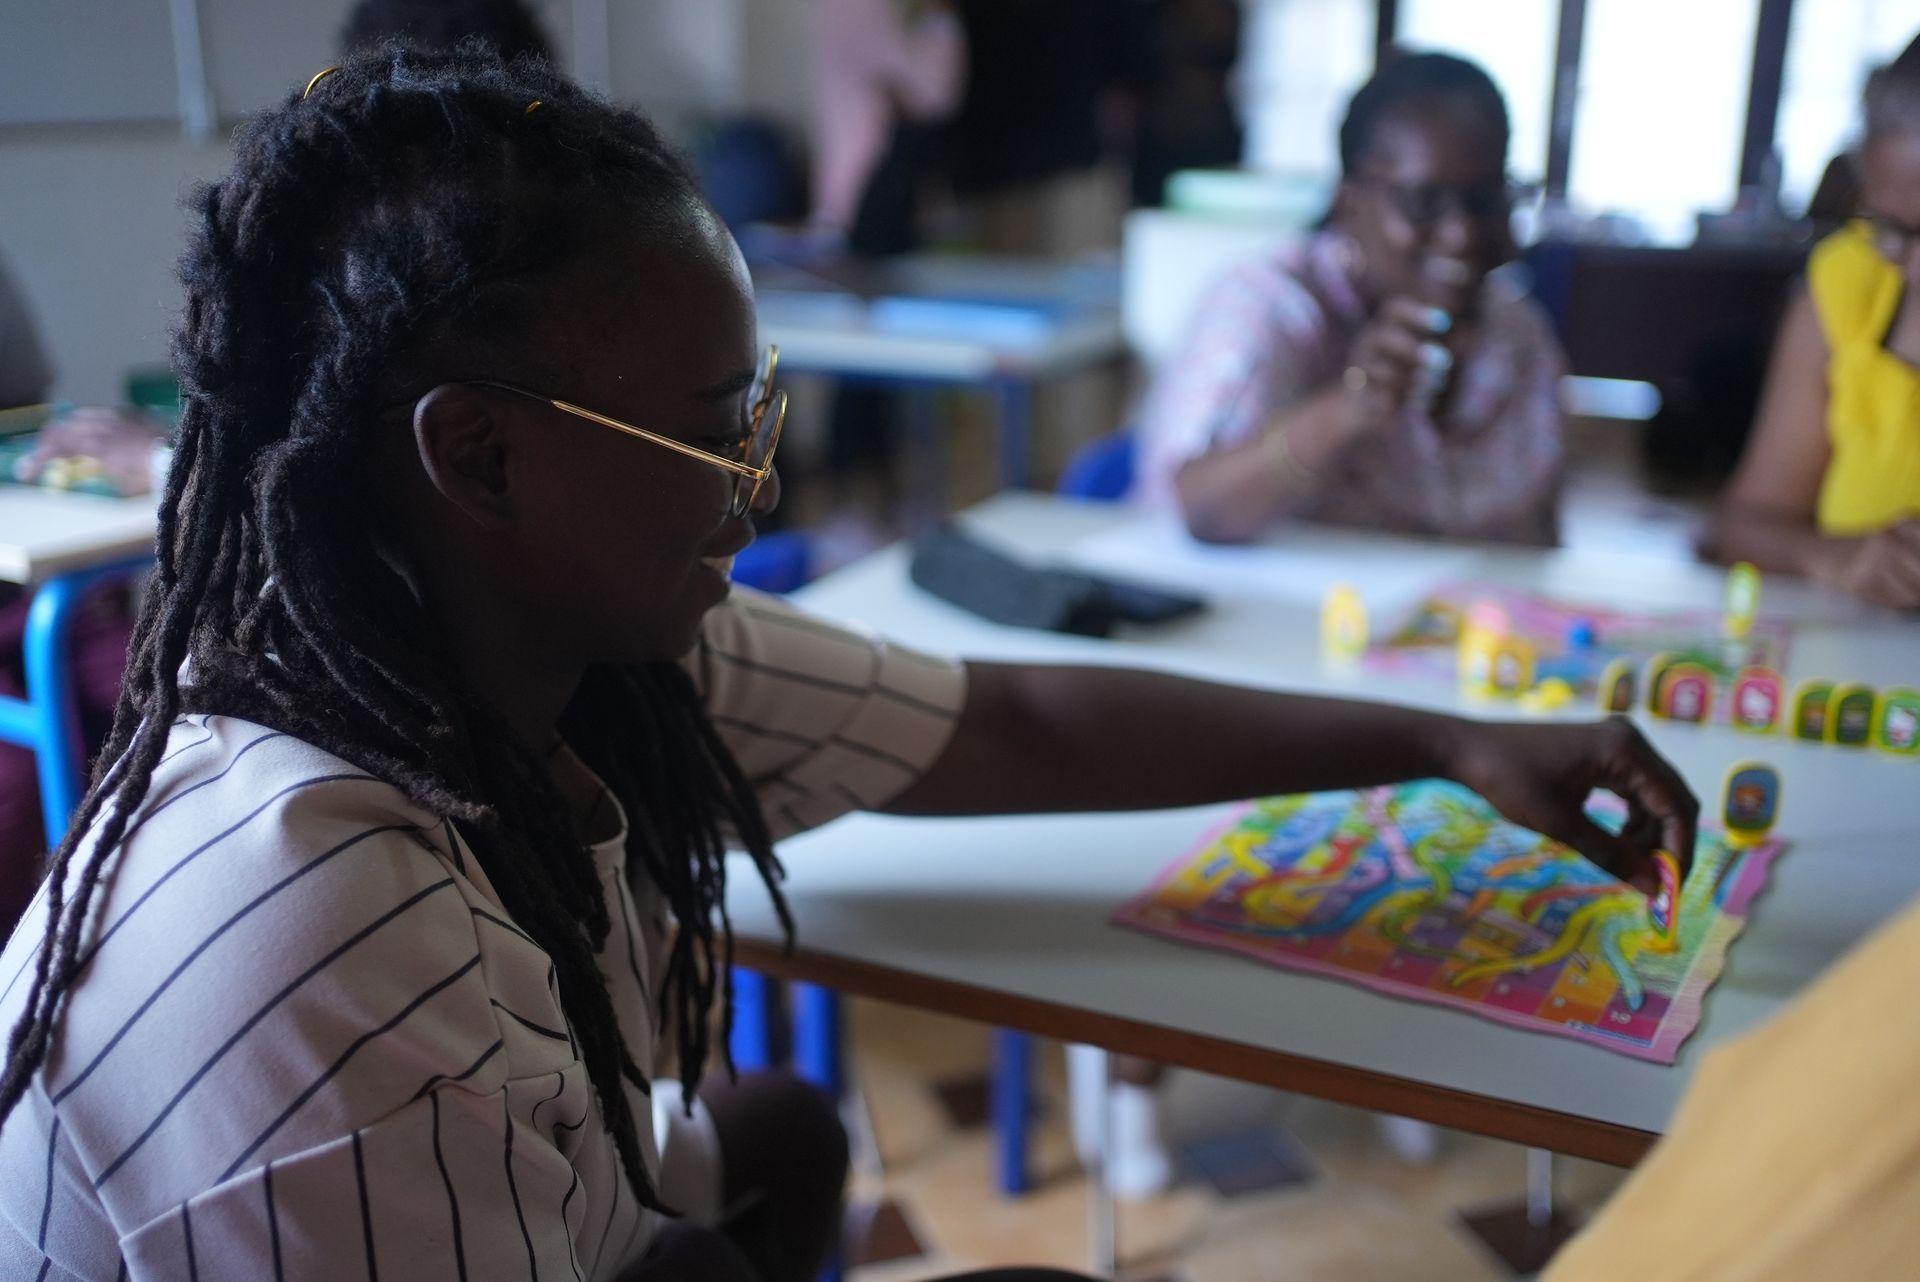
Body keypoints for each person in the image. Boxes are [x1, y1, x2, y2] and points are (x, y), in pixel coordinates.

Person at [0, 50, 1696, 1282]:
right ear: (484, 459)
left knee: (789, 1134)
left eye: (763, 412)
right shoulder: (318, 925)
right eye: (714, 426)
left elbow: (1010, 713)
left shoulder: (547, 645)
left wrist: (1445, 741)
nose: (767, 477)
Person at [1135, 52, 1567, 547]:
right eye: (1423, 203)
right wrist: (1346, 409)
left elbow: (1541, 548)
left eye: (1485, 199)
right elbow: (1197, 513)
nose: (1461, 233)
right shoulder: (1267, 308)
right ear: (1350, 201)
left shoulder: (1519, 333)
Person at [1705, 34, 1920, 609]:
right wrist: (1843, 558)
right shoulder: (1853, 281)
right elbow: (1742, 525)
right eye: (1892, 229)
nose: (1910, 268)